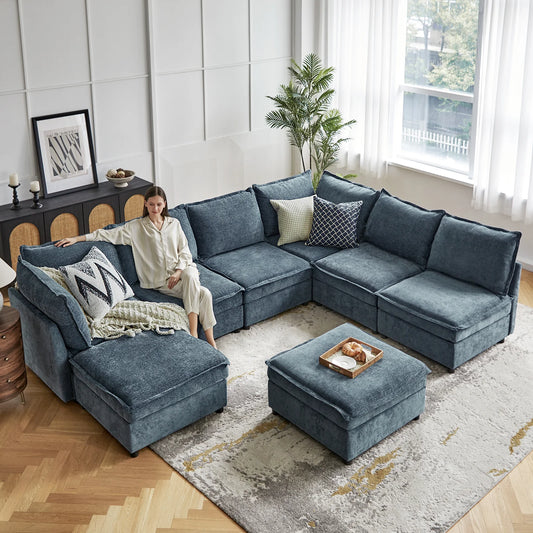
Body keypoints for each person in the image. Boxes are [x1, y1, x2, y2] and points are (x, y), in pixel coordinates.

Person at [55, 186, 217, 349]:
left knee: (190, 275)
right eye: (152, 204)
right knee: (204, 294)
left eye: (159, 204)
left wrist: (178, 271)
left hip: (180, 274)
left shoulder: (174, 224)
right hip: (160, 282)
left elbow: (185, 251)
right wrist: (77, 239)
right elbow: (105, 234)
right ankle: (197, 334)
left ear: (165, 204)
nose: (155, 208)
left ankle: (209, 341)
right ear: (145, 204)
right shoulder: (136, 228)